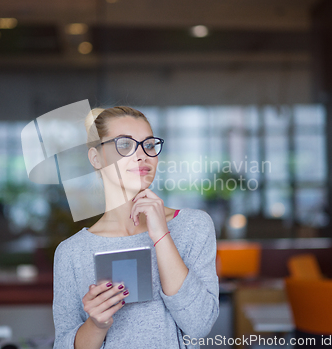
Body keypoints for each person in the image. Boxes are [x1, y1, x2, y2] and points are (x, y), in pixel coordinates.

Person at [52, 106, 219, 349]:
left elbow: (200, 325)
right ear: (96, 158)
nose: (142, 155)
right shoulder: (71, 253)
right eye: (124, 145)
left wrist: (161, 235)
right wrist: (96, 325)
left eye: (148, 145)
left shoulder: (193, 226)